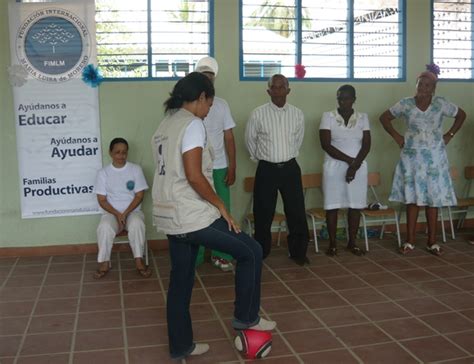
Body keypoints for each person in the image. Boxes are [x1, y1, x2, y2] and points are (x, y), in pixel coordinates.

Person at [151, 72, 276, 360]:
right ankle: (247, 318)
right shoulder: (192, 124)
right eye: (210, 102)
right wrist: (221, 206)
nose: (210, 109)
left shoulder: (165, 123)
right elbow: (194, 176)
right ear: (201, 98)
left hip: (168, 214)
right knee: (251, 251)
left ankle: (181, 345)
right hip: (190, 213)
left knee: (180, 280)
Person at [379, 64, 466, 256]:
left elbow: (461, 115)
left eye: (427, 85)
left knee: (433, 200)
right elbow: (384, 118)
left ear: (433, 88)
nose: (423, 88)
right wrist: (397, 137)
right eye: (420, 84)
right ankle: (409, 241)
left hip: (435, 158)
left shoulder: (441, 104)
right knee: (413, 200)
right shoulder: (405, 104)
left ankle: (432, 242)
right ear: (416, 84)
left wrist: (449, 134)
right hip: (411, 158)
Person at [245, 74, 310, 266]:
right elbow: (250, 141)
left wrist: (285, 156)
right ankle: (261, 251)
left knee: (296, 211)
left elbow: (298, 139)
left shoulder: (297, 114)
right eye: (274, 87)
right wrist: (263, 159)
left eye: (282, 87)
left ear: (288, 91)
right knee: (263, 212)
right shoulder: (258, 113)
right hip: (267, 169)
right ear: (269, 91)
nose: (278, 91)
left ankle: (298, 252)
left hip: (290, 168)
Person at [194, 56, 237, 272]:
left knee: (223, 211)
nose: (207, 81)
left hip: (219, 166)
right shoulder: (187, 106)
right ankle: (197, 255)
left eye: (210, 77)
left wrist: (233, 166)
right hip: (196, 169)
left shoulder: (221, 105)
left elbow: (229, 137)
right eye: (203, 77)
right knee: (197, 211)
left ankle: (222, 255)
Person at [320, 85, 371, 256]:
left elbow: (366, 145)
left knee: (355, 206)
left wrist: (355, 166)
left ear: (354, 99)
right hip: (333, 168)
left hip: (358, 168)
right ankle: (333, 244)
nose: (343, 102)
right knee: (332, 206)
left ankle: (352, 243)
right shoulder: (327, 117)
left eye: (347, 98)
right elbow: (326, 145)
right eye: (340, 98)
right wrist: (351, 162)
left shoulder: (363, 118)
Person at [93, 137, 151, 279]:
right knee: (104, 227)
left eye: (124, 152)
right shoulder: (103, 173)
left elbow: (139, 196)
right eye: (117, 152)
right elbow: (101, 200)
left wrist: (125, 213)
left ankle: (139, 260)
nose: (121, 156)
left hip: (133, 212)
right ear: (110, 153)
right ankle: (104, 262)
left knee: (137, 224)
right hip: (111, 214)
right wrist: (118, 214)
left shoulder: (135, 169)